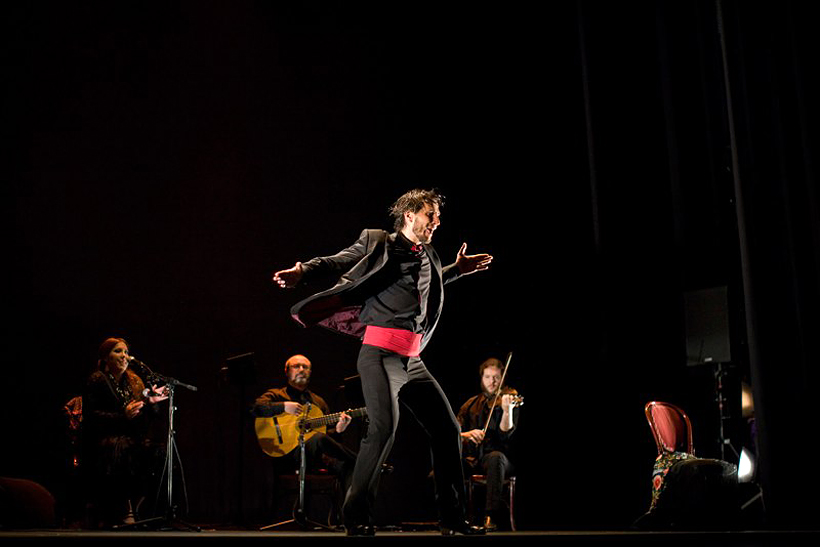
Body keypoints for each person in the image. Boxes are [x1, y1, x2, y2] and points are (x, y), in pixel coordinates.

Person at [272, 188, 493, 536]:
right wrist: (303, 271)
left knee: (447, 429)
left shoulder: (430, 254)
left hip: (412, 359)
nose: (436, 222)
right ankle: (355, 516)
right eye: (430, 214)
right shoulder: (378, 242)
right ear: (409, 215)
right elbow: (336, 261)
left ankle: (452, 519)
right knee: (383, 429)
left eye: (437, 216)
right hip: (379, 354)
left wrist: (458, 270)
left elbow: (430, 282)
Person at [81, 337, 168, 527]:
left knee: (158, 452)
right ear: (106, 357)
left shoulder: (134, 381)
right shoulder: (97, 379)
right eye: (118, 351)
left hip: (129, 437)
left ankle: (142, 507)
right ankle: (123, 508)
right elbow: (91, 416)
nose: (124, 356)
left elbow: (145, 418)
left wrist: (150, 403)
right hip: (103, 437)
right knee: (122, 449)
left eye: (126, 352)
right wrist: (123, 416)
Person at [251, 354, 357, 501]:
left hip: (315, 459)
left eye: (305, 367)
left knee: (346, 466)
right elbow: (256, 408)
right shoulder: (276, 395)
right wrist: (283, 406)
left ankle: (349, 512)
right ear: (287, 371)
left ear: (310, 372)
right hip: (286, 456)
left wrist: (338, 431)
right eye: (296, 366)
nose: (301, 369)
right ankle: (364, 462)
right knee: (319, 439)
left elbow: (328, 442)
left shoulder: (318, 402)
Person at [457, 357, 521, 531]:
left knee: (495, 458)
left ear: (502, 379)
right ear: (481, 378)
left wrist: (507, 411)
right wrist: (467, 435)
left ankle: (491, 515)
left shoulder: (508, 400)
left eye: (496, 377)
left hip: (498, 460)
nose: (492, 382)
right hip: (473, 458)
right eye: (487, 377)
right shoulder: (470, 404)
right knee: (446, 465)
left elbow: (505, 434)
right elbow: (455, 432)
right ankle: (452, 516)